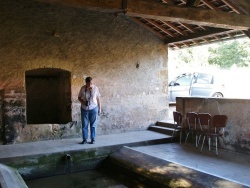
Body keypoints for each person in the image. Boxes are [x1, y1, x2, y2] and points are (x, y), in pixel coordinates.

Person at [78, 77, 101, 144]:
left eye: (91, 83)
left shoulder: (95, 88)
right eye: (88, 83)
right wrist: (83, 102)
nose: (90, 85)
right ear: (86, 83)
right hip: (84, 108)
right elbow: (79, 97)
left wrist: (100, 109)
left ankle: (93, 139)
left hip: (93, 108)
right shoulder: (83, 88)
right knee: (84, 124)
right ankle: (84, 139)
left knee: (93, 125)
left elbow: (98, 99)